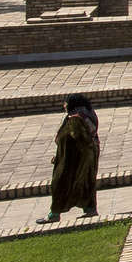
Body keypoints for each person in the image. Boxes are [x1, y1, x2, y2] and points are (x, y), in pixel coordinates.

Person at [38, 94, 101, 224]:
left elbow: (79, 137)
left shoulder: (75, 119)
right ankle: (89, 208)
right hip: (86, 157)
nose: (64, 105)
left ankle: (54, 213)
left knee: (59, 184)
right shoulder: (87, 115)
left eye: (65, 103)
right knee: (85, 183)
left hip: (74, 159)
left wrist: (66, 156)